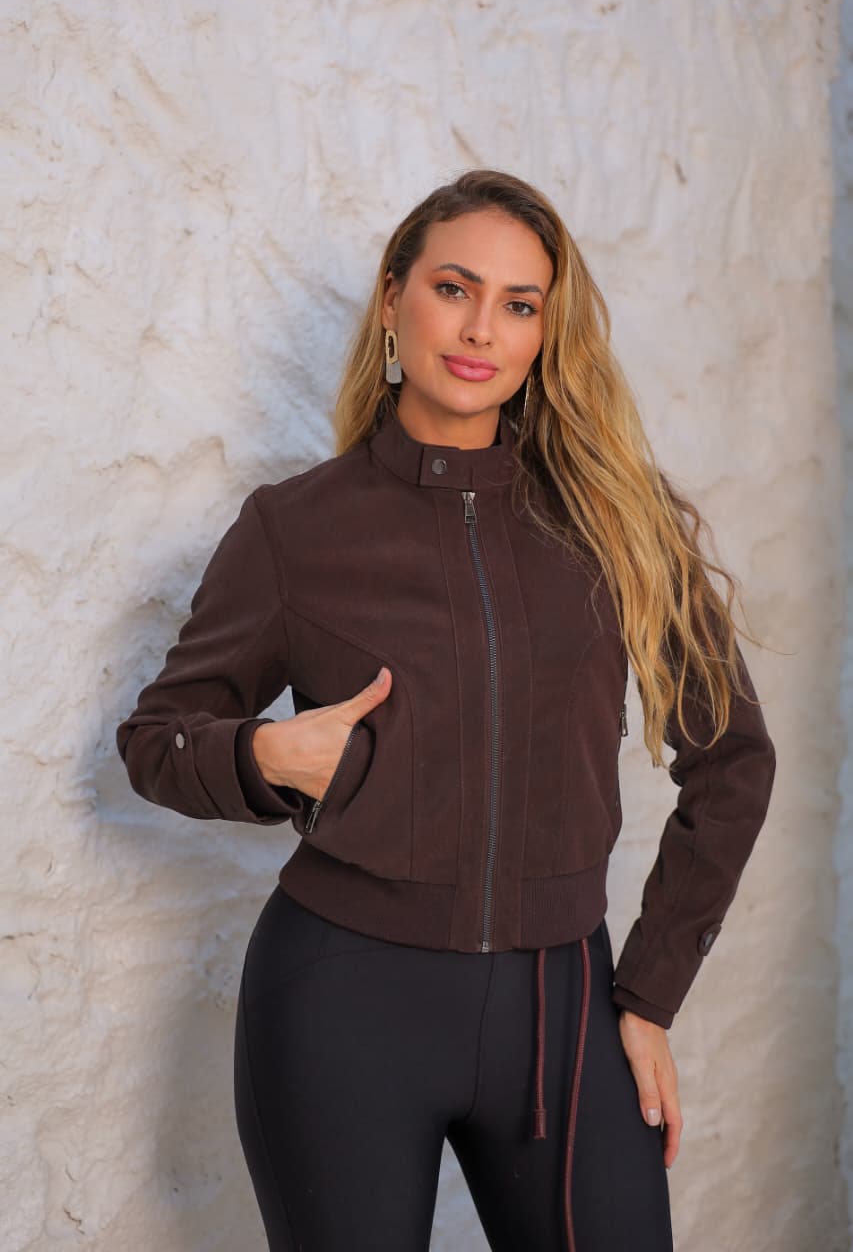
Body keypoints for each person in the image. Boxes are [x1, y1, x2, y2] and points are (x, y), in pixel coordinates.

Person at [115, 168, 777, 1252]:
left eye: (518, 304)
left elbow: (734, 757)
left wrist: (649, 993)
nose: (480, 330)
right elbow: (156, 740)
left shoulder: (616, 523)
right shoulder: (295, 529)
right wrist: (264, 753)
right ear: (393, 299)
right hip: (341, 1003)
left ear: (546, 334)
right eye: (453, 288)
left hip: (561, 1009)